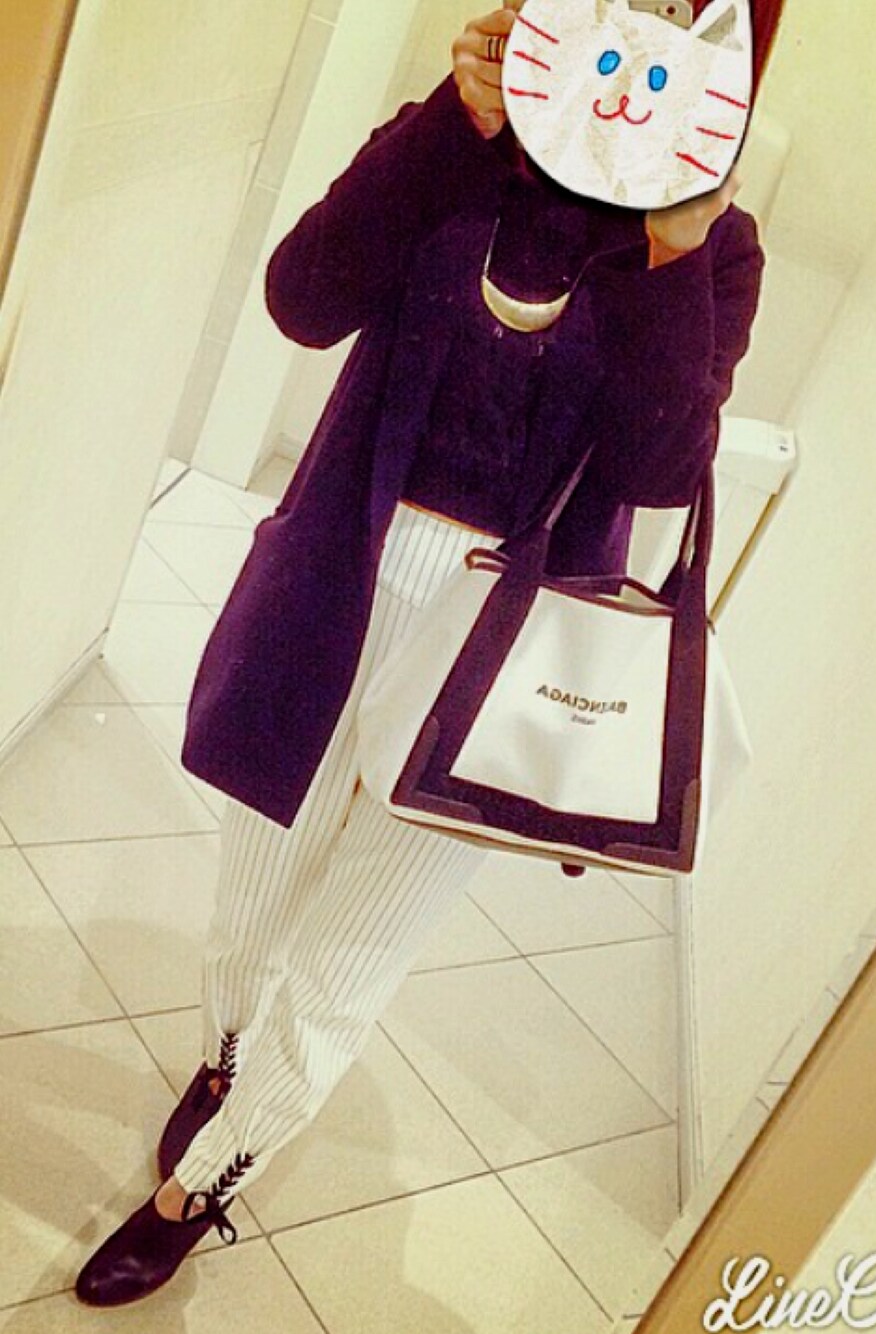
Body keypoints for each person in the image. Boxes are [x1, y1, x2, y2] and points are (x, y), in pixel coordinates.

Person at [75, 0, 786, 1307]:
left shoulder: (713, 245)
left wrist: (676, 253)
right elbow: (301, 300)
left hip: (504, 652)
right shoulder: (464, 144)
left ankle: (206, 1181)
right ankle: (224, 1057)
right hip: (338, 584)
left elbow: (657, 469)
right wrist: (452, 125)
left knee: (354, 945)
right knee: (255, 890)